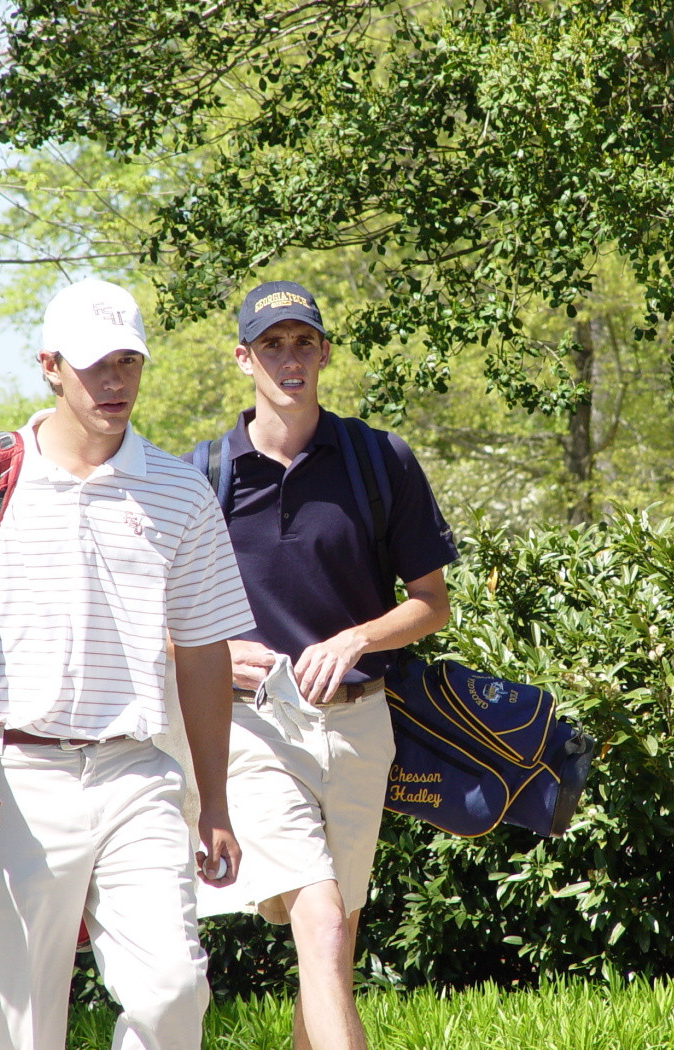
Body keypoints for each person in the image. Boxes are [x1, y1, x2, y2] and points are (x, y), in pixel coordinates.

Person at [0, 277, 254, 1050]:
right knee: (27, 1026)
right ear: (51, 366)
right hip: (9, 778)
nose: (116, 381)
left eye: (129, 361)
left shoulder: (182, 493)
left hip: (137, 775)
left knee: (174, 991)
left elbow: (203, 652)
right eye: (96, 365)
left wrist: (213, 799)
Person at [193, 280, 458, 1050]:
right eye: (270, 344)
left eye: (302, 341)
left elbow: (431, 603)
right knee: (320, 916)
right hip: (255, 731)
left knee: (335, 936)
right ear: (243, 358)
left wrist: (356, 639)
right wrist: (216, 653)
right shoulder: (201, 477)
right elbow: (153, 615)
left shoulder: (379, 461)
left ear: (325, 352)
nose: (289, 359)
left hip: (361, 726)